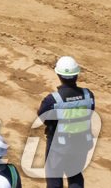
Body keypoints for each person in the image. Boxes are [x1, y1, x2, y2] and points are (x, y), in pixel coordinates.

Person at [36, 55, 96, 187]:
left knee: (54, 177)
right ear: (77, 75)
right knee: (75, 175)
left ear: (58, 74)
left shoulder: (53, 100)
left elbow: (42, 116)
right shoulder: (88, 95)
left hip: (59, 145)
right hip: (81, 143)